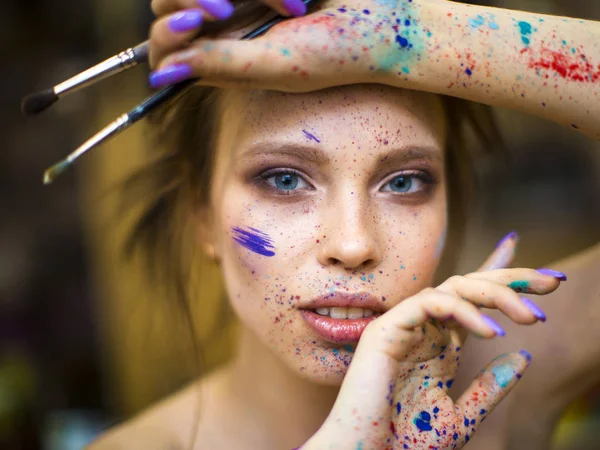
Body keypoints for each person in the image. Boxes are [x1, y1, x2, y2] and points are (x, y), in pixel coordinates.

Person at [89, 0, 598, 448]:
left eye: (404, 182)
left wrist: (411, 37)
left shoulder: (503, 379)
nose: (353, 244)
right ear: (201, 211)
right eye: (285, 179)